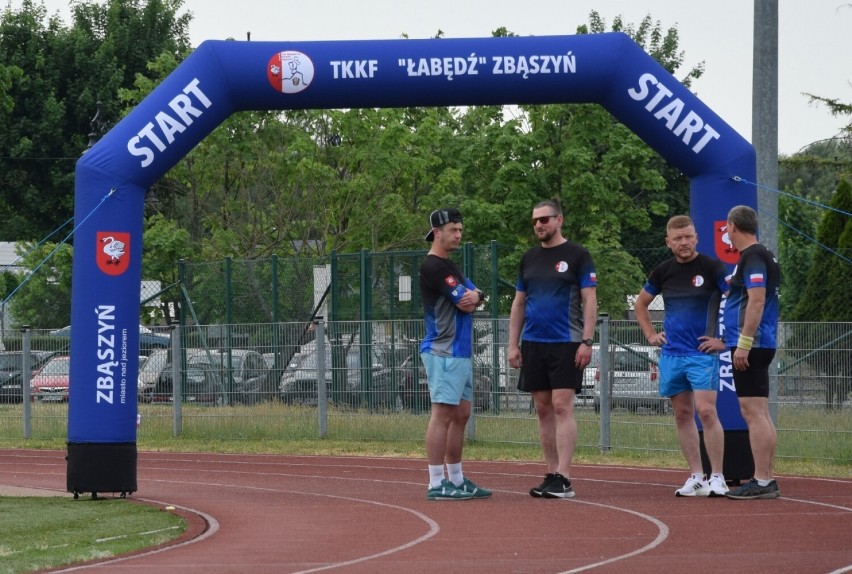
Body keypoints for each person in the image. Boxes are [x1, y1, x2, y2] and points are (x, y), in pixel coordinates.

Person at [634, 215, 729, 497]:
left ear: (696, 238)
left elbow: (736, 301)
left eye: (688, 237)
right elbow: (641, 304)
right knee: (682, 414)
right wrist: (651, 335)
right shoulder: (662, 271)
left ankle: (718, 477)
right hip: (672, 354)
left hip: (702, 354)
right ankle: (696, 477)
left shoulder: (712, 268)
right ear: (668, 242)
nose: (684, 242)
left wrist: (724, 341)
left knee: (707, 411)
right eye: (678, 239)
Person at [508, 199, 597, 499]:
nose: (539, 225)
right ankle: (550, 473)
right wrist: (512, 344)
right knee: (543, 409)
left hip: (566, 342)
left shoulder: (578, 255)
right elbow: (519, 303)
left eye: (545, 220)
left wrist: (587, 341)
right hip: (534, 343)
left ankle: (565, 477)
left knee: (562, 406)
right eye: (535, 221)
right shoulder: (529, 258)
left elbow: (590, 300)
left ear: (559, 220)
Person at [419, 208, 492, 501]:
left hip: (459, 350)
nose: (459, 235)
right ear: (437, 232)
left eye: (460, 229)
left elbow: (476, 294)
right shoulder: (434, 267)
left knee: (461, 413)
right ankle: (436, 483)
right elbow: (465, 300)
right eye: (453, 229)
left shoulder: (450, 266)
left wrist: (477, 296)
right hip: (444, 350)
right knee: (442, 415)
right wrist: (475, 297)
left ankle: (457, 479)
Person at [722, 205, 782, 500]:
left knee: (753, 412)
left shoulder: (753, 256)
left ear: (733, 226)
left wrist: (743, 344)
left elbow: (756, 302)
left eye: (727, 229)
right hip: (758, 342)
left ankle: (762, 480)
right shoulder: (760, 255)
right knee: (760, 412)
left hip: (754, 344)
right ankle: (765, 477)